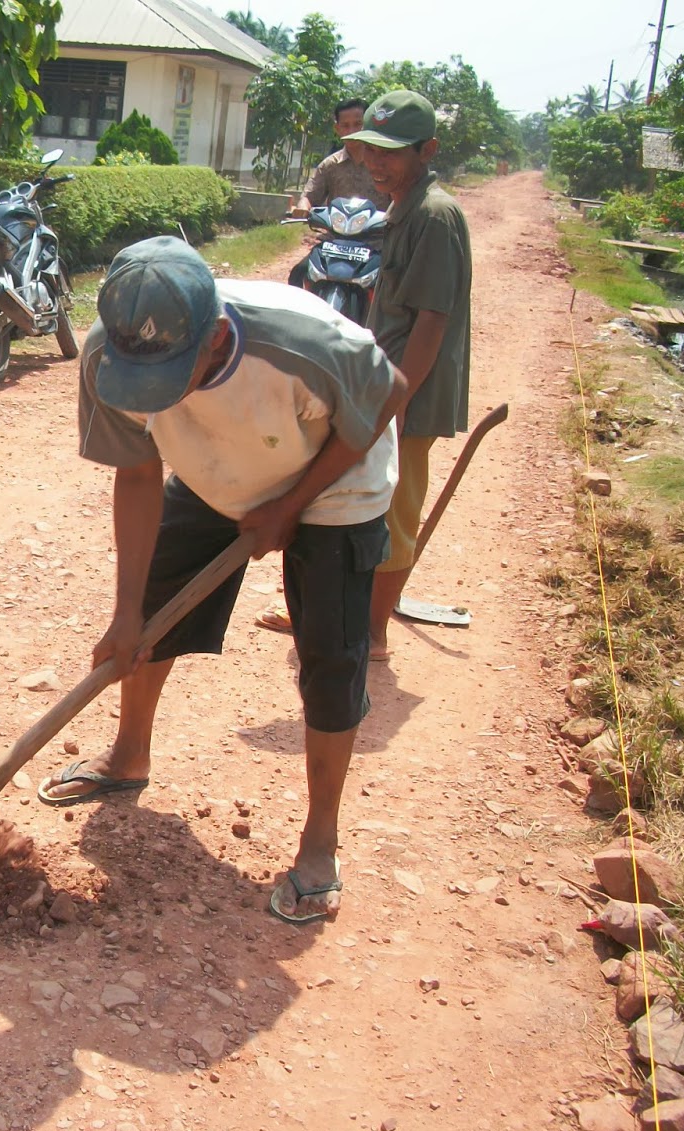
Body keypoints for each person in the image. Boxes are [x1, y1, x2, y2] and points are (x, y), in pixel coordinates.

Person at [37, 236, 409, 923]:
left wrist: (290, 508)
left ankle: (320, 841)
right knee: (151, 613)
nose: (153, 393)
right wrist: (125, 614)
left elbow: (388, 395)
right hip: (219, 471)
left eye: (167, 376)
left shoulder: (304, 343)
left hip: (336, 479)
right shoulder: (112, 354)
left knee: (330, 656)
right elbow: (140, 470)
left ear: (214, 338)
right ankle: (128, 756)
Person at [260, 90, 472, 659]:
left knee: (394, 509)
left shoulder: (433, 215)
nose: (376, 163)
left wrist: (395, 401)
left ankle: (373, 635)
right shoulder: (402, 206)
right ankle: (342, 612)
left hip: (410, 391)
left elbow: (431, 323)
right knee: (358, 498)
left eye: (392, 153)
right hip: (387, 384)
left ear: (427, 150)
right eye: (371, 150)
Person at [286, 99, 390, 290]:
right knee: (298, 274)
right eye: (346, 125)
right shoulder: (330, 165)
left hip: (376, 244)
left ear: (369, 125)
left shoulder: (383, 164)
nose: (352, 131)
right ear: (337, 129)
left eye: (358, 124)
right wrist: (302, 207)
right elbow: (310, 195)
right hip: (335, 242)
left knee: (394, 284)